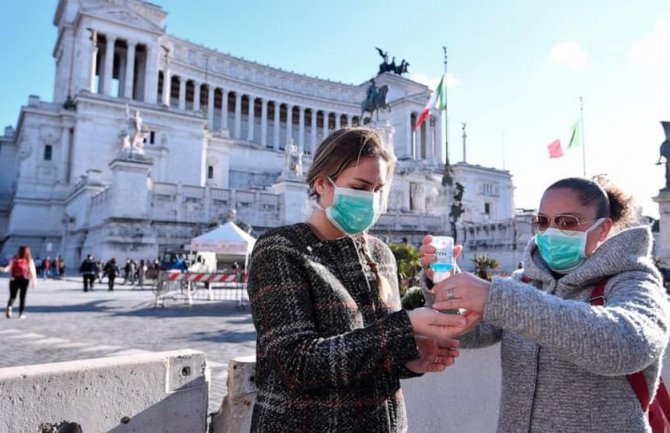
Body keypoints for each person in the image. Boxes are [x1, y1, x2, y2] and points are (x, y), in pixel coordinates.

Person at [247, 127, 477, 432]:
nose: (370, 199)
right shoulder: (281, 249)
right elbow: (296, 365)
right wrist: (405, 326)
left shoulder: (381, 255)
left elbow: (375, 351)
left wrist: (411, 359)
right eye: (359, 186)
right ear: (321, 183)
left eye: (377, 189)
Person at [420, 176, 670, 432]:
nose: (551, 232)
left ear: (603, 229)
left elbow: (628, 345)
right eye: (543, 221)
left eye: (567, 222)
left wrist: (498, 297)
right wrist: (444, 285)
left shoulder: (634, 280)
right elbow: (471, 331)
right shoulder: (524, 281)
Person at [4, 245, 37, 319]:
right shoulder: (29, 260)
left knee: (12, 296)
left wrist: (5, 270)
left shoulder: (14, 258)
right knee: (22, 297)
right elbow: (32, 271)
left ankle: (9, 307)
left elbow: (9, 268)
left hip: (14, 279)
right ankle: (21, 313)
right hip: (25, 280)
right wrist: (34, 281)